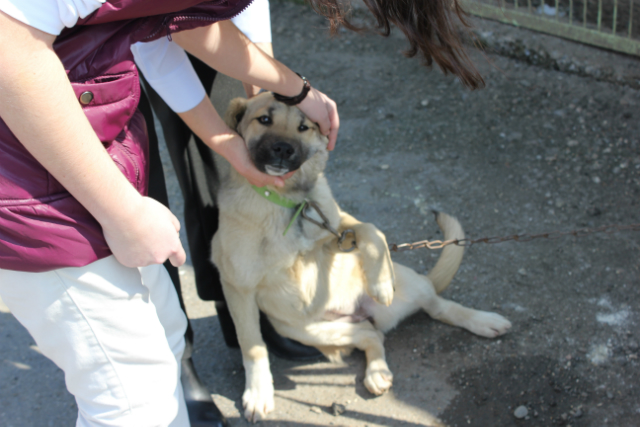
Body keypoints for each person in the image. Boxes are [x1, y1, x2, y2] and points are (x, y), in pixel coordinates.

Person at [0, 1, 338, 426]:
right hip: (34, 194)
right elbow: (9, 48)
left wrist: (287, 92)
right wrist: (120, 210)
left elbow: (163, 30)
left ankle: (211, 349)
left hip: (91, 148)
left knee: (166, 335)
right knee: (131, 398)